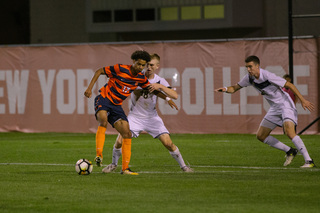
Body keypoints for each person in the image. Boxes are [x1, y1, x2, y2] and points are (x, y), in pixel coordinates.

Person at [215, 55, 315, 168]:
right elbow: (235, 88)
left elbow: (289, 85)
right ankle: (290, 151)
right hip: (274, 108)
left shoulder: (267, 76)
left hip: (285, 105)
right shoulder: (248, 78)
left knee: (289, 132)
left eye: (250, 67)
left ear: (257, 66)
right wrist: (225, 89)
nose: (248, 69)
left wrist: (303, 100)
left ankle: (309, 161)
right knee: (261, 136)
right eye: (246, 67)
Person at [101, 53, 193, 173]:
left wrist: (159, 86)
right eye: (147, 65)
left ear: (157, 66)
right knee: (120, 141)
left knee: (168, 143)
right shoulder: (137, 76)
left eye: (152, 65)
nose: (149, 67)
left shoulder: (160, 80)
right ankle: (113, 164)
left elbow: (174, 95)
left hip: (152, 117)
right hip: (135, 116)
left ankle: (184, 167)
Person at [84, 50, 154, 175]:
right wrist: (89, 88)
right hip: (104, 99)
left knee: (127, 133)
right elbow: (99, 71)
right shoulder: (120, 68)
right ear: (133, 61)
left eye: (143, 65)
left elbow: (150, 88)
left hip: (116, 106)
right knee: (103, 120)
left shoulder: (141, 78)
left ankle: (125, 169)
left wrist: (168, 98)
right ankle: (99, 154)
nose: (141, 67)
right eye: (139, 64)